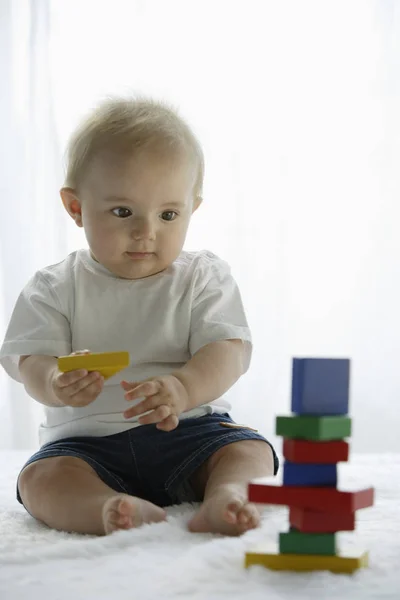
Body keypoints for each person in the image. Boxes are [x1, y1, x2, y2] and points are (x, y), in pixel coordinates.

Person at [0, 97, 278, 537]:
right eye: (123, 212)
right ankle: (107, 506)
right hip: (87, 445)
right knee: (40, 479)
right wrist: (55, 381)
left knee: (248, 449)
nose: (146, 231)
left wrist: (183, 388)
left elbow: (226, 351)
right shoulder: (55, 286)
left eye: (168, 214)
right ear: (75, 208)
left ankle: (227, 495)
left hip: (190, 430)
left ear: (192, 208)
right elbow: (29, 360)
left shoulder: (202, 277)